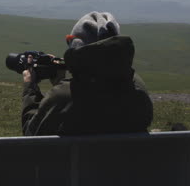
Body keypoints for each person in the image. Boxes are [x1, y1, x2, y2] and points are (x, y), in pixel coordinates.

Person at [21, 11, 153, 136]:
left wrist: (30, 87)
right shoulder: (138, 89)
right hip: (123, 160)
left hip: (76, 160)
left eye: (70, 40)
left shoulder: (62, 97)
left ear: (78, 45)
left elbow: (31, 134)